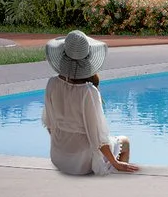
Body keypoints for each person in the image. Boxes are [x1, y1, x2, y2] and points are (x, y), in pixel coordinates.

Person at [43, 30, 137, 175]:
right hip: (81, 163)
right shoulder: (88, 92)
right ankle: (117, 184)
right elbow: (98, 137)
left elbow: (50, 124)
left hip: (58, 157)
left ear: (63, 55)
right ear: (87, 59)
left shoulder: (52, 83)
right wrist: (115, 162)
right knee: (125, 142)